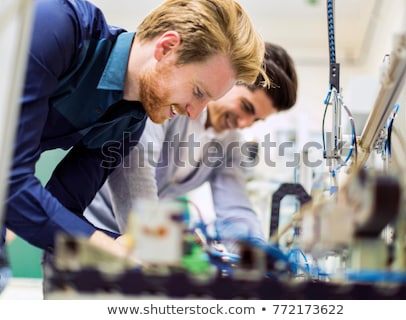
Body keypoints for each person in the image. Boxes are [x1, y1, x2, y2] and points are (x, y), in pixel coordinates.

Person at [3, 0, 267, 259]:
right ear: (166, 48)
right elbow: (10, 182)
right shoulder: (57, 24)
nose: (195, 113)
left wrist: (143, 250)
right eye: (198, 92)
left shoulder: (129, 122)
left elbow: (65, 207)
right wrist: (112, 249)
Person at [84, 42, 298, 253]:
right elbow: (136, 172)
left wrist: (256, 257)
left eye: (256, 120)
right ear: (230, 81)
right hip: (92, 229)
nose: (244, 124)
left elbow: (235, 208)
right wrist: (160, 243)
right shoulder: (174, 103)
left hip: (139, 243)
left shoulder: (230, 143)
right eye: (246, 107)